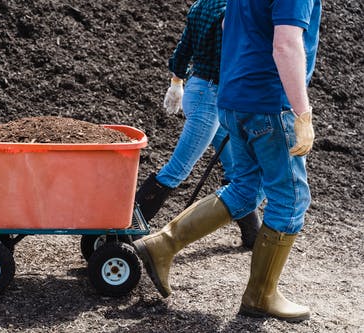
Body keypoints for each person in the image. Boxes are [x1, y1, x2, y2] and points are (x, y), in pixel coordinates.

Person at [133, 0, 321, 322]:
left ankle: (162, 244)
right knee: (290, 200)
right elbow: (286, 44)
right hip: (269, 103)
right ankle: (261, 296)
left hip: (233, 99)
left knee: (245, 188)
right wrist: (302, 113)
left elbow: (226, 28)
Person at [135, 0, 260, 249]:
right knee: (178, 169)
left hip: (197, 89)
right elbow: (235, 56)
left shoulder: (201, 5)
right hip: (212, 97)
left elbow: (183, 49)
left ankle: (253, 235)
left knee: (236, 167)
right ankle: (126, 227)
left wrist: (176, 82)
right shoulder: (233, 11)